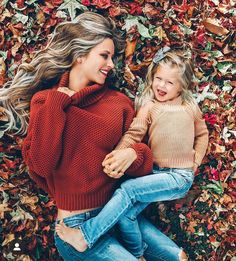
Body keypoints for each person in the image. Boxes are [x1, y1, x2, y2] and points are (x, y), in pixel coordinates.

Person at [0, 11, 188, 261]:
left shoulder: (118, 103)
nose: (111, 64)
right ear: (79, 55)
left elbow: (142, 162)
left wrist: (131, 153)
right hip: (74, 229)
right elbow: (41, 165)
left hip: (117, 214)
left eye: (112, 57)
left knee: (178, 257)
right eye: (104, 55)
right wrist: (58, 101)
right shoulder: (46, 101)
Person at [55, 47, 209, 261]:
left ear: (181, 87)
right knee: (127, 214)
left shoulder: (190, 107)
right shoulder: (149, 107)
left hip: (179, 177)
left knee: (127, 190)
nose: (161, 86)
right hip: (157, 174)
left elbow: (203, 135)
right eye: (158, 79)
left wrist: (196, 163)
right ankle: (137, 254)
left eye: (169, 82)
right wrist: (117, 154)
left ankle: (86, 235)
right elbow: (134, 134)